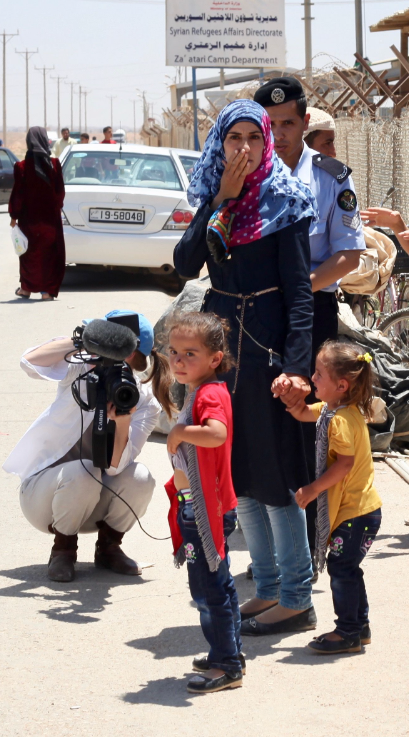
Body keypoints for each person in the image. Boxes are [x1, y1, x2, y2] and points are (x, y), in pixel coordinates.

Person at [174, 99, 319, 636]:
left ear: (266, 144)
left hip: (267, 355)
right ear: (220, 143)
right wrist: (221, 200)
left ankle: (298, 596)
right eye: (234, 138)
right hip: (222, 354)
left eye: (253, 139)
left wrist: (298, 368)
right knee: (239, 475)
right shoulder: (216, 199)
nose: (244, 149)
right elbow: (185, 266)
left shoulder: (287, 201)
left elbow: (301, 295)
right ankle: (269, 587)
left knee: (276, 475)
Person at [254, 77, 365, 558]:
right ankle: (268, 533)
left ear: (303, 123)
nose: (277, 134)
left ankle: (310, 536)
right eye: (269, 125)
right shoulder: (242, 174)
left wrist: (297, 287)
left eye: (287, 124)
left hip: (312, 310)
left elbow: (349, 256)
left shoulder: (332, 176)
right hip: (256, 313)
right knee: (261, 418)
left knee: (307, 423)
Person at [3, 311, 173, 582]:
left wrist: (123, 421)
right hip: (43, 500)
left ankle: (109, 548)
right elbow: (28, 362)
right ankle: (63, 550)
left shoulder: (141, 401)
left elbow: (116, 469)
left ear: (134, 357)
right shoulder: (79, 369)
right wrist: (82, 341)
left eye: (123, 353)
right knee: (85, 472)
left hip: (93, 503)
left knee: (141, 477)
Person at [287, 342, 382, 655]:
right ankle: (360, 626)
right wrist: (292, 398)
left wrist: (313, 489)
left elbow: (344, 464)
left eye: (318, 374)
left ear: (342, 385)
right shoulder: (334, 410)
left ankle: (348, 631)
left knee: (342, 569)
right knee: (348, 569)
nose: (313, 378)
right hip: (360, 512)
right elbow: (303, 412)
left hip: (356, 514)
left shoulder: (340, 420)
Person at [165, 312, 242, 694]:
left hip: (205, 509)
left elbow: (216, 434)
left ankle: (227, 665)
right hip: (198, 504)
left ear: (215, 359)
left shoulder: (210, 393)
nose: (179, 361)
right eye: (174, 352)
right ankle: (228, 653)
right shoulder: (199, 388)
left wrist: (179, 431)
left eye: (190, 353)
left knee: (209, 590)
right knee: (219, 585)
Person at [9, 127, 66, 301]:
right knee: (49, 255)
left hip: (29, 221)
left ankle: (26, 289)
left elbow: (18, 194)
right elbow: (60, 193)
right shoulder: (54, 165)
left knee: (29, 255)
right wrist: (54, 208)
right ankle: (47, 292)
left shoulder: (21, 167)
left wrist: (14, 216)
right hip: (50, 221)